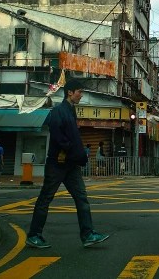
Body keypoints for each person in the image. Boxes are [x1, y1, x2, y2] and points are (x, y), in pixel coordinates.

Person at [25, 78, 109, 249]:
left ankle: (88, 234)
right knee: (45, 199)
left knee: (82, 198)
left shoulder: (71, 111)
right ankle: (34, 235)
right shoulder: (58, 111)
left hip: (71, 166)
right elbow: (59, 137)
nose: (81, 95)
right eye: (79, 92)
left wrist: (78, 156)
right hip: (57, 164)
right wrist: (73, 151)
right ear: (70, 92)